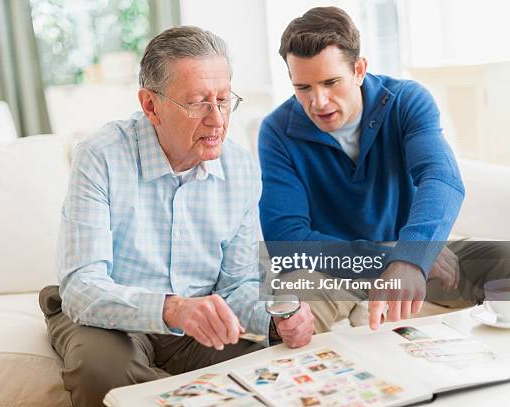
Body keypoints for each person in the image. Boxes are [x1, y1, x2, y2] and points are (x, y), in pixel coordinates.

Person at [39, 26, 315, 407]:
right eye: (199, 102)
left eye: (223, 100)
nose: (217, 119)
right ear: (151, 105)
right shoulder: (101, 156)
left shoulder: (240, 168)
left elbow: (236, 286)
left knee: (272, 367)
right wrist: (173, 308)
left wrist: (276, 318)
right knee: (101, 371)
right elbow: (82, 287)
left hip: (197, 320)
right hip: (110, 318)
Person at [258, 6, 510, 334]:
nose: (318, 101)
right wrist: (394, 257)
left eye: (331, 82)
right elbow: (286, 240)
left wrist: (412, 255)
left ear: (359, 70)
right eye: (303, 87)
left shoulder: (406, 101)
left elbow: (441, 177)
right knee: (291, 310)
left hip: (415, 263)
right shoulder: (276, 131)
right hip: (335, 270)